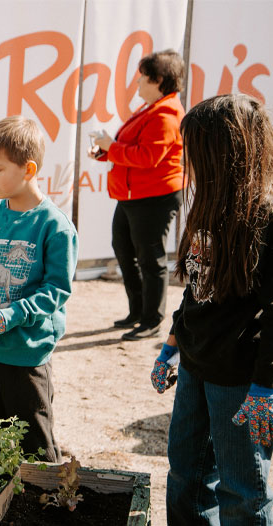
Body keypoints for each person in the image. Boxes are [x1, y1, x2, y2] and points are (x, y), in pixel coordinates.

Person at [150, 94, 273, 524]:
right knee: (186, 474)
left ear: (227, 154)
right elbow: (196, 290)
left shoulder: (265, 218)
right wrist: (172, 345)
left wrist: (265, 386)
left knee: (242, 491)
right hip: (194, 368)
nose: (188, 160)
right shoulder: (208, 206)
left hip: (240, 382)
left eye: (195, 150)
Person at [0, 115, 78, 461]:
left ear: (29, 169)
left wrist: (6, 317)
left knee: (35, 449)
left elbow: (56, 292)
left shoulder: (55, 227)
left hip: (25, 355)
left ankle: (44, 493)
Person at [90, 49, 185, 341]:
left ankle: (151, 320)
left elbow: (148, 157)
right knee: (124, 249)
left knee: (150, 258)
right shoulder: (153, 107)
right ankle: (138, 312)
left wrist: (111, 147)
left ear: (159, 80)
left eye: (143, 77)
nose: (138, 82)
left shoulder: (166, 113)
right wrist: (106, 152)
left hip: (154, 196)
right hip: (135, 195)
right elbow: (133, 149)